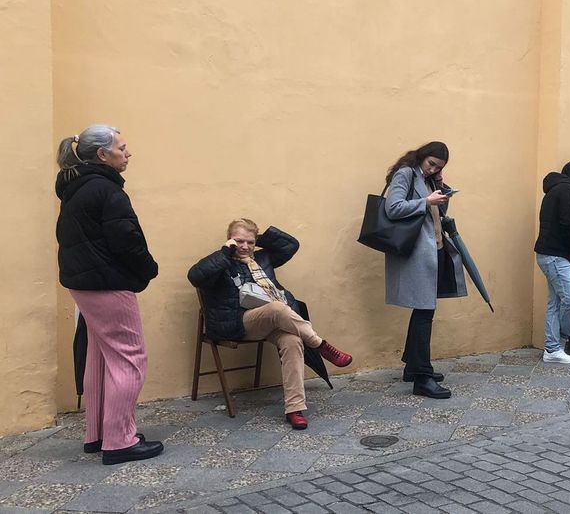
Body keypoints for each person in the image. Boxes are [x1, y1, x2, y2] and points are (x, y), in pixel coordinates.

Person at [55, 125, 163, 465]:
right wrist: (149, 268)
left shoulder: (76, 187)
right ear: (102, 155)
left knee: (99, 357)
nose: (128, 153)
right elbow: (127, 240)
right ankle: (119, 441)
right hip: (108, 284)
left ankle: (98, 434)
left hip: (82, 283)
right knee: (130, 359)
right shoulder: (107, 190)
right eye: (122, 147)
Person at [187, 220, 353, 430]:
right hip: (237, 324)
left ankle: (295, 409)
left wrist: (260, 237)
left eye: (249, 242)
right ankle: (320, 345)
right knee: (277, 308)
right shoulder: (222, 262)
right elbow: (195, 276)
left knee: (292, 340)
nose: (244, 246)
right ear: (229, 238)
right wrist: (225, 253)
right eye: (239, 240)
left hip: (272, 321)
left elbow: (290, 245)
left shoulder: (263, 258)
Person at [383, 141, 468, 399]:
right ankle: (422, 377)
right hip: (415, 253)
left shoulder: (428, 178)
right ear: (422, 156)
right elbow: (393, 207)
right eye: (431, 164)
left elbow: (437, 212)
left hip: (433, 251)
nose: (433, 169)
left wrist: (441, 192)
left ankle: (413, 367)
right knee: (424, 313)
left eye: (438, 167)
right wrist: (425, 200)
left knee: (423, 310)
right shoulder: (406, 173)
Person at [535, 161, 570, 364]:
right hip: (557, 255)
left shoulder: (555, 189)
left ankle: (552, 348)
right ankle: (562, 336)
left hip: (549, 253)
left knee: (555, 302)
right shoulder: (568, 190)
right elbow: (569, 224)